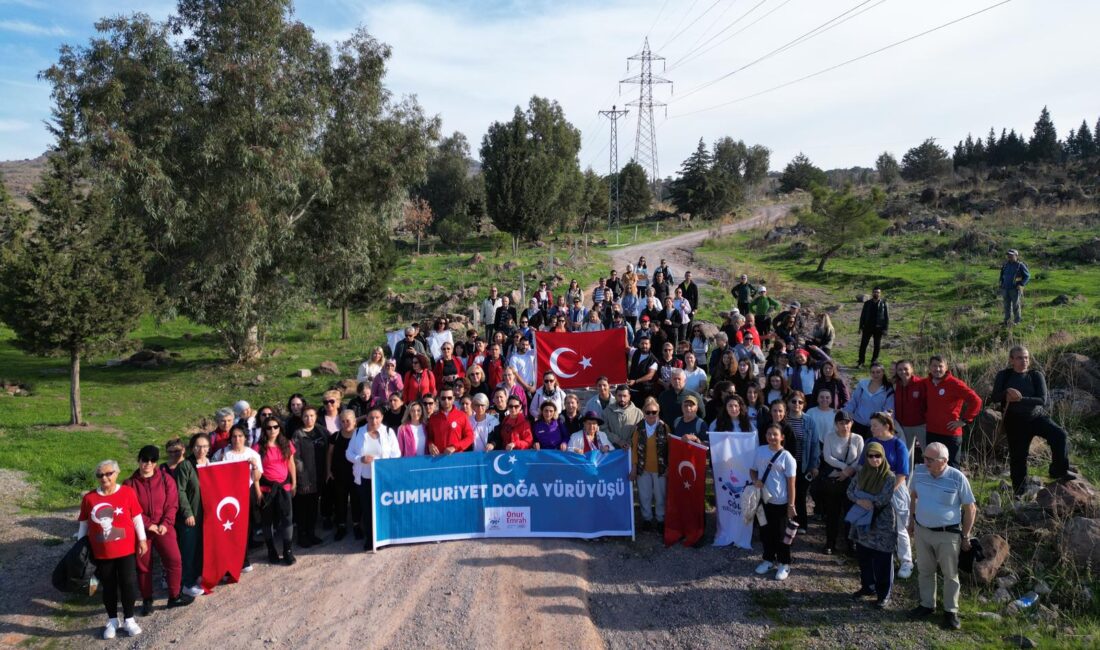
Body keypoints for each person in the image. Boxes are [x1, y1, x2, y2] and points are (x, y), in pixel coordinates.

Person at [907, 442, 977, 631]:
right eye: (924, 457)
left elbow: (970, 507)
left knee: (950, 574)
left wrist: (966, 535)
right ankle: (926, 605)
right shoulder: (919, 472)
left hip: (948, 534)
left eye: (930, 459)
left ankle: (950, 612)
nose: (925, 461)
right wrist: (911, 521)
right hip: (922, 531)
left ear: (944, 461)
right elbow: (913, 496)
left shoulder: (957, 478)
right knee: (925, 570)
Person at [990, 345, 1075, 494]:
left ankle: (1058, 470)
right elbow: (995, 397)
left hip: (1036, 417)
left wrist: (1020, 399)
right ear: (1011, 360)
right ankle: (1019, 491)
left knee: (1059, 435)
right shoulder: (1004, 375)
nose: (1024, 361)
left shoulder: (1035, 375)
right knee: (1018, 457)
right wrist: (1006, 393)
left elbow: (1042, 399)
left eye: (1026, 358)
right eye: (1019, 358)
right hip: (1014, 421)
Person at [78, 459, 148, 639]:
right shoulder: (89, 498)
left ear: (117, 473)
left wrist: (142, 539)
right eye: (100, 475)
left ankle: (129, 619)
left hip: (126, 551)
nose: (105, 478)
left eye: (109, 473)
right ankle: (112, 620)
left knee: (128, 584)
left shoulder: (127, 493)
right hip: (102, 553)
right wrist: (79, 549)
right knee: (108, 586)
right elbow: (84, 525)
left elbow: (137, 518)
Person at [123, 446, 191, 614]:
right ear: (138, 460)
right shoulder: (129, 484)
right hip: (142, 530)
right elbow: (131, 509)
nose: (148, 463)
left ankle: (174, 596)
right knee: (144, 565)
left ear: (156, 463)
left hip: (163, 528)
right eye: (144, 460)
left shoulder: (166, 480)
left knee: (174, 560)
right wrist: (147, 524)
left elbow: (172, 504)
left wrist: (165, 524)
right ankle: (147, 599)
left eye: (152, 460)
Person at [859, 412, 914, 579]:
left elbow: (902, 474)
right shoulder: (870, 442)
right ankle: (877, 559)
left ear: (886, 426)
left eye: (875, 425)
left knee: (900, 526)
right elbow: (862, 467)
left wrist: (886, 492)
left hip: (895, 491)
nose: (872, 428)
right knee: (874, 525)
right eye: (871, 425)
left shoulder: (898, 445)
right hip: (872, 490)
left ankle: (906, 561)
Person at [848, 441, 898, 609]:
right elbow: (850, 491)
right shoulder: (861, 473)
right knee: (864, 556)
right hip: (863, 521)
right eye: (871, 456)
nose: (875, 459)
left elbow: (883, 498)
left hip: (882, 524)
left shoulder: (889, 476)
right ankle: (867, 587)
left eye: (878, 456)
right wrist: (859, 499)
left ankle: (884, 594)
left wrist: (862, 498)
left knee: (883, 559)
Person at [347, 407, 400, 551]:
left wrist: (384, 465)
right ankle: (370, 539)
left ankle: (382, 537)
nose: (374, 420)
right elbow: (349, 453)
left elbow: (396, 454)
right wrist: (360, 459)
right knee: (367, 509)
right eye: (371, 417)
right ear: (367, 418)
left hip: (383, 479)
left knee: (382, 508)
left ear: (382, 417)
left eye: (377, 417)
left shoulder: (388, 432)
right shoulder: (358, 432)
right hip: (365, 478)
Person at [750, 424, 798, 581]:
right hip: (763, 501)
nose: (772, 437)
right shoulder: (760, 451)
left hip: (780, 502)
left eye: (775, 434)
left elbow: (791, 484)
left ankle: (784, 563)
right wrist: (755, 480)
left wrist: (791, 505)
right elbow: (753, 469)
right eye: (769, 434)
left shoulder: (787, 457)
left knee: (781, 535)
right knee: (765, 531)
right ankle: (768, 559)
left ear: (782, 437)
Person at [212, 426, 262, 572]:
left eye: (240, 436)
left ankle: (243, 559)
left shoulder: (252, 454)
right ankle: (229, 559)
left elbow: (257, 477)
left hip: (246, 494)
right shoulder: (222, 453)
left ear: (245, 437)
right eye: (234, 436)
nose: (237, 439)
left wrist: (254, 466)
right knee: (229, 528)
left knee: (244, 528)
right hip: (227, 496)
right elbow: (213, 473)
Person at [160, 438, 203, 599]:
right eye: (171, 451)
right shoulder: (164, 468)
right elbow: (179, 492)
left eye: (177, 451)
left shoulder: (188, 465)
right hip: (175, 515)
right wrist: (188, 513)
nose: (174, 454)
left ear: (184, 450)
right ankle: (184, 582)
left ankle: (186, 580)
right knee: (180, 550)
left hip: (187, 515)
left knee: (188, 550)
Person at [252, 416, 297, 565]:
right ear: (264, 429)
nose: (272, 430)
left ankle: (287, 550)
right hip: (266, 489)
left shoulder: (286, 444)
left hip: (284, 487)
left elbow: (291, 464)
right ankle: (271, 550)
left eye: (275, 427)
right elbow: (255, 471)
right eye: (269, 427)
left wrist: (294, 482)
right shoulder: (258, 448)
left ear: (280, 428)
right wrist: (257, 491)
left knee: (287, 519)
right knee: (267, 521)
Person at [818, 411, 863, 555]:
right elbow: (827, 457)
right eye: (841, 423)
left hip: (851, 480)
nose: (844, 426)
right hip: (834, 479)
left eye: (847, 422)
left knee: (850, 513)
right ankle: (830, 543)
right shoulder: (829, 437)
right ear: (836, 424)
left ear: (852, 423)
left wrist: (848, 471)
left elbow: (860, 459)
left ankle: (851, 544)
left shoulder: (857, 438)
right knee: (832, 513)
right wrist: (844, 468)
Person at [925, 356, 982, 468]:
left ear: (946, 368)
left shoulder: (955, 384)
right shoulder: (926, 383)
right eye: (934, 366)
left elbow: (976, 400)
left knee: (952, 467)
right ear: (929, 367)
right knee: (932, 465)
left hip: (950, 433)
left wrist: (964, 420)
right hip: (931, 432)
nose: (937, 369)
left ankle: (955, 486)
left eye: (940, 366)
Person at [630, 398, 671, 532]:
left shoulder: (664, 427)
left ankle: (660, 520)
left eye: (654, 412)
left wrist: (668, 467)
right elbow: (634, 448)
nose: (651, 415)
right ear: (643, 413)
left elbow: (670, 449)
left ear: (658, 412)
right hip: (643, 469)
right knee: (644, 496)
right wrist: (634, 468)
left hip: (660, 468)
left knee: (660, 496)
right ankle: (646, 519)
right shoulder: (639, 427)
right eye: (648, 412)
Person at [784, 391, 822, 528]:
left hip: (803, 464)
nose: (797, 404)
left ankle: (801, 524)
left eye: (800, 402)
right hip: (785, 464)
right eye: (793, 401)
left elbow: (814, 444)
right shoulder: (784, 419)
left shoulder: (809, 421)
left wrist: (814, 465)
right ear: (788, 403)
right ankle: (785, 523)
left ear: (804, 404)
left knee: (800, 495)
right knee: (784, 493)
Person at [291, 406, 327, 548]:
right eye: (306, 416)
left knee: (313, 507)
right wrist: (302, 477)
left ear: (316, 416)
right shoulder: (298, 434)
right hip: (305, 477)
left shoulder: (322, 431)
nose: (309, 419)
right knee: (303, 508)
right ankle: (302, 535)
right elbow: (296, 458)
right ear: (302, 418)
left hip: (319, 476)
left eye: (312, 415)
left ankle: (311, 533)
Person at [327, 410, 361, 541]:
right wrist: (328, 471)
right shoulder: (335, 436)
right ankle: (341, 526)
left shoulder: (360, 435)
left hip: (356, 474)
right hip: (339, 475)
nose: (346, 423)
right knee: (340, 501)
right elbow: (329, 454)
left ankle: (357, 525)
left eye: (348, 420)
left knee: (356, 501)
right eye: (343, 421)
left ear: (354, 421)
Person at [893, 359, 927, 468]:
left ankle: (930, 481)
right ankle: (906, 483)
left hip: (921, 425)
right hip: (903, 427)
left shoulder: (921, 383)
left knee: (927, 454)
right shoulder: (896, 385)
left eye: (906, 369)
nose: (903, 372)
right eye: (900, 369)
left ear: (912, 369)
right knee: (905, 456)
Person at [845, 363, 895, 439]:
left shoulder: (888, 390)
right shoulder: (862, 384)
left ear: (883, 372)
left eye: (878, 372)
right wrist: (845, 413)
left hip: (876, 426)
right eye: (873, 372)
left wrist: (880, 418)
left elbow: (889, 409)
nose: (875, 374)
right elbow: (853, 401)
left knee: (871, 449)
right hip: (858, 423)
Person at [427, 385, 475, 455]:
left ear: (453, 399)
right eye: (443, 398)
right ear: (439, 399)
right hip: (437, 459)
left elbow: (470, 437)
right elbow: (429, 437)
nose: (446, 401)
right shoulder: (433, 418)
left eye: (449, 398)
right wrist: (430, 444)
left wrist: (455, 447)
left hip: (456, 458)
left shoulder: (461, 415)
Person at [603, 384, 644, 450]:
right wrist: (618, 441)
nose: (622, 399)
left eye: (625, 396)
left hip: (632, 450)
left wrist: (630, 442)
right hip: (612, 450)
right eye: (619, 396)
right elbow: (603, 429)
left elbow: (641, 432)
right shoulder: (607, 411)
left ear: (629, 396)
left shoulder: (638, 413)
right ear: (615, 396)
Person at [856, 287, 889, 368]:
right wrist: (860, 327)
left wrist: (885, 329)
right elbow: (862, 316)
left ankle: (874, 361)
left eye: (878, 292)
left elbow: (886, 317)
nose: (876, 293)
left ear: (880, 294)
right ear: (872, 293)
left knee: (877, 345)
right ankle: (861, 362)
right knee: (863, 345)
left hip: (879, 328)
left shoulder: (884, 303)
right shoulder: (867, 303)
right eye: (875, 292)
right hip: (867, 327)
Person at [999, 248, 1030, 326]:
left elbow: (1027, 276)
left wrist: (1021, 284)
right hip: (1005, 288)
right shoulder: (1005, 265)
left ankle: (1017, 321)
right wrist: (1001, 284)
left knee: (1015, 305)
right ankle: (1007, 321)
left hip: (1015, 289)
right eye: (1008, 255)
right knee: (1006, 306)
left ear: (1016, 256)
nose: (1009, 256)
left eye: (1011, 255)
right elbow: (1002, 275)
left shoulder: (1020, 265)